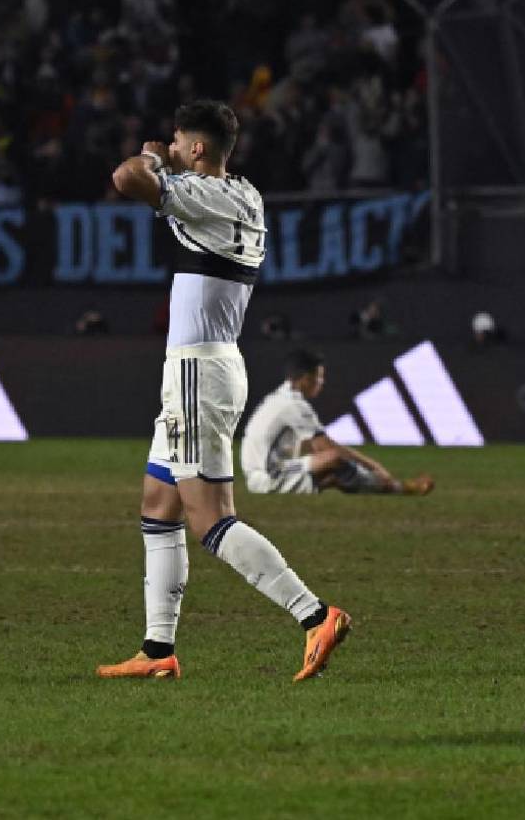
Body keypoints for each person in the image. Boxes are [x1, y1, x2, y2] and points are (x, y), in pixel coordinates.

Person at [96, 100, 351, 683]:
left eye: (181, 144)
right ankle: (157, 651)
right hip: (212, 364)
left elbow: (125, 178)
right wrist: (168, 167)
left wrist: (150, 159)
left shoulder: (205, 196)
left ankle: (314, 614)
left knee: (210, 518)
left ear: (199, 150)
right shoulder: (247, 195)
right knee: (158, 508)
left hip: (196, 373)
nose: (175, 150)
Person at [240, 347, 434, 496]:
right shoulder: (293, 405)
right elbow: (324, 446)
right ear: (305, 379)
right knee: (334, 459)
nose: (322, 382)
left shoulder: (281, 398)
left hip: (263, 472)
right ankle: (397, 486)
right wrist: (373, 466)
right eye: (319, 377)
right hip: (266, 476)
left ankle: (394, 488)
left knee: (335, 475)